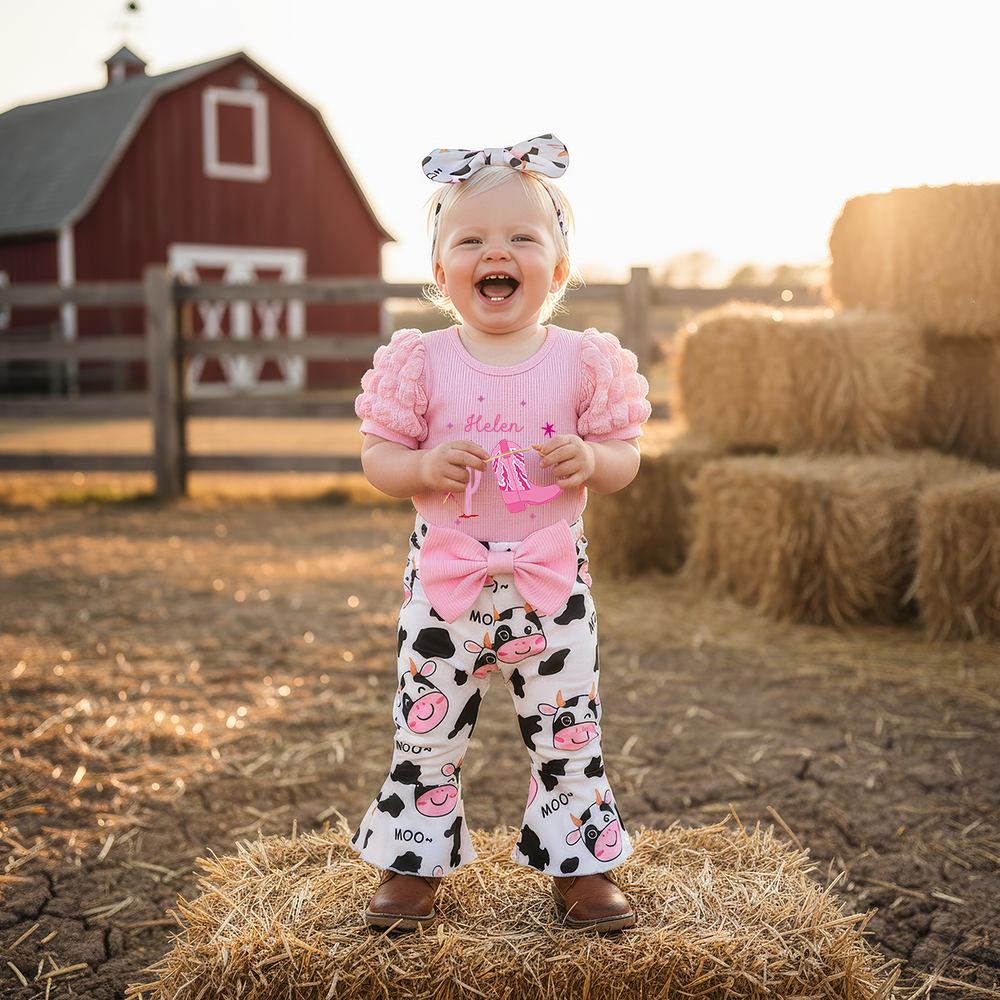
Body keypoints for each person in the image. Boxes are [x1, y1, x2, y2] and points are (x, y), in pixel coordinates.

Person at [351, 135, 651, 933]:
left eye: (523, 238)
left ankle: (581, 868)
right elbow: (378, 457)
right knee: (428, 724)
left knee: (568, 729)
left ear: (557, 269)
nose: (498, 253)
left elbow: (625, 459)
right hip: (449, 583)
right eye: (473, 239)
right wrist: (417, 469)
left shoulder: (584, 362)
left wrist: (591, 455)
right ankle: (412, 865)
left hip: (551, 584)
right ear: (443, 271)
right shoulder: (422, 361)